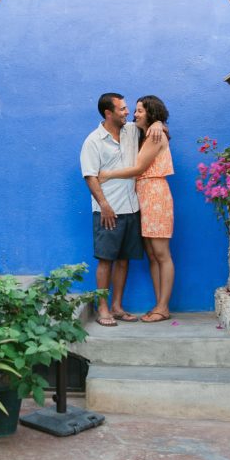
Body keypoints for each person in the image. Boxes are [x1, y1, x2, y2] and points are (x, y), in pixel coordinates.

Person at [80, 93, 162, 327]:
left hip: (131, 207)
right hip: (108, 210)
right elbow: (90, 176)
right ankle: (103, 308)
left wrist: (157, 122)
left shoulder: (131, 131)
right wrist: (104, 205)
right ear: (108, 113)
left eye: (128, 109)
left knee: (124, 259)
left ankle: (117, 306)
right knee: (106, 259)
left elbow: (157, 128)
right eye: (123, 109)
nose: (127, 112)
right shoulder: (93, 141)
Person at [99, 95, 175, 322]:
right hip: (144, 195)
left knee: (161, 254)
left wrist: (108, 174)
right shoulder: (147, 132)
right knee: (152, 255)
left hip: (155, 195)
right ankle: (159, 304)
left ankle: (163, 307)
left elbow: (139, 167)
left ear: (151, 112)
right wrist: (158, 123)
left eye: (139, 110)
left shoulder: (155, 134)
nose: (134, 114)